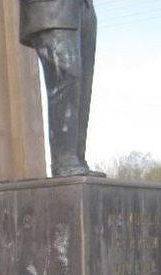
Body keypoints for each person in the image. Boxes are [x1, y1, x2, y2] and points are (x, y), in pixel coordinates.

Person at [19, 0, 101, 177]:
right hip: (50, 8)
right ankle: (64, 161)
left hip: (82, 7)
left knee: (82, 86)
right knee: (66, 78)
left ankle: (76, 157)